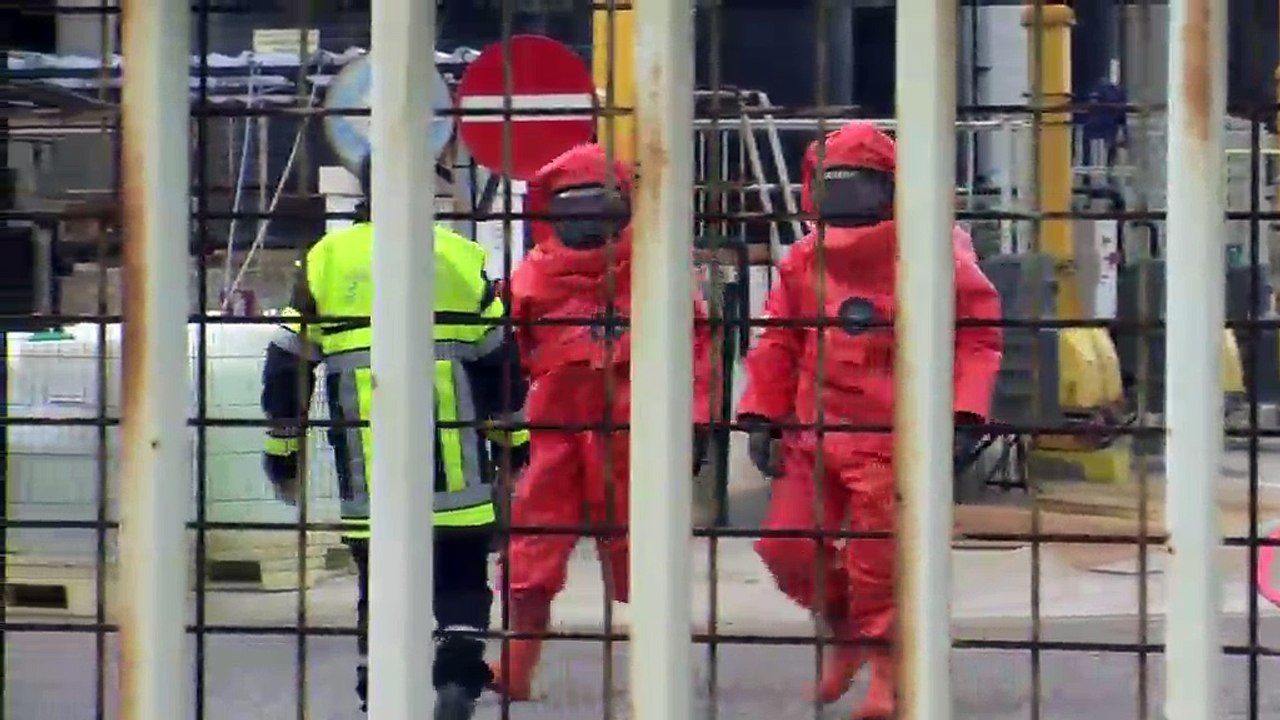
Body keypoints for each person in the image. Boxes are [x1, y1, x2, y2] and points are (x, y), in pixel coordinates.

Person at [737, 122, 1003, 719]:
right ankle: (845, 634)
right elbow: (780, 341)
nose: (847, 202)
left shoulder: (936, 253)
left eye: (861, 188)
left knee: (879, 562)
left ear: (893, 189)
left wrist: (964, 412)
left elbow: (977, 337)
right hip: (815, 431)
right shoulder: (806, 259)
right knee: (786, 548)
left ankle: (892, 674)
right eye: (835, 188)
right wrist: (761, 412)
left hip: (892, 439)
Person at [260, 155, 527, 719]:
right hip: (458, 480)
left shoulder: (325, 261)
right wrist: (515, 450)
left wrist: (283, 454)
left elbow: (287, 367)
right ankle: (456, 674)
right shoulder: (460, 256)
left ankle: (378, 698)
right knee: (461, 584)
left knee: (379, 596)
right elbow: (500, 366)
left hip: (370, 481)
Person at [487, 143, 714, 700]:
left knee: (644, 552)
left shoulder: (659, 266)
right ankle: (515, 669)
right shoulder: (533, 276)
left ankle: (664, 666)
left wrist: (697, 422)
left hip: (635, 428)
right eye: (574, 207)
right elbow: (506, 353)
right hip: (559, 430)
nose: (587, 218)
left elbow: (697, 349)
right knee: (532, 551)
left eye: (599, 205)